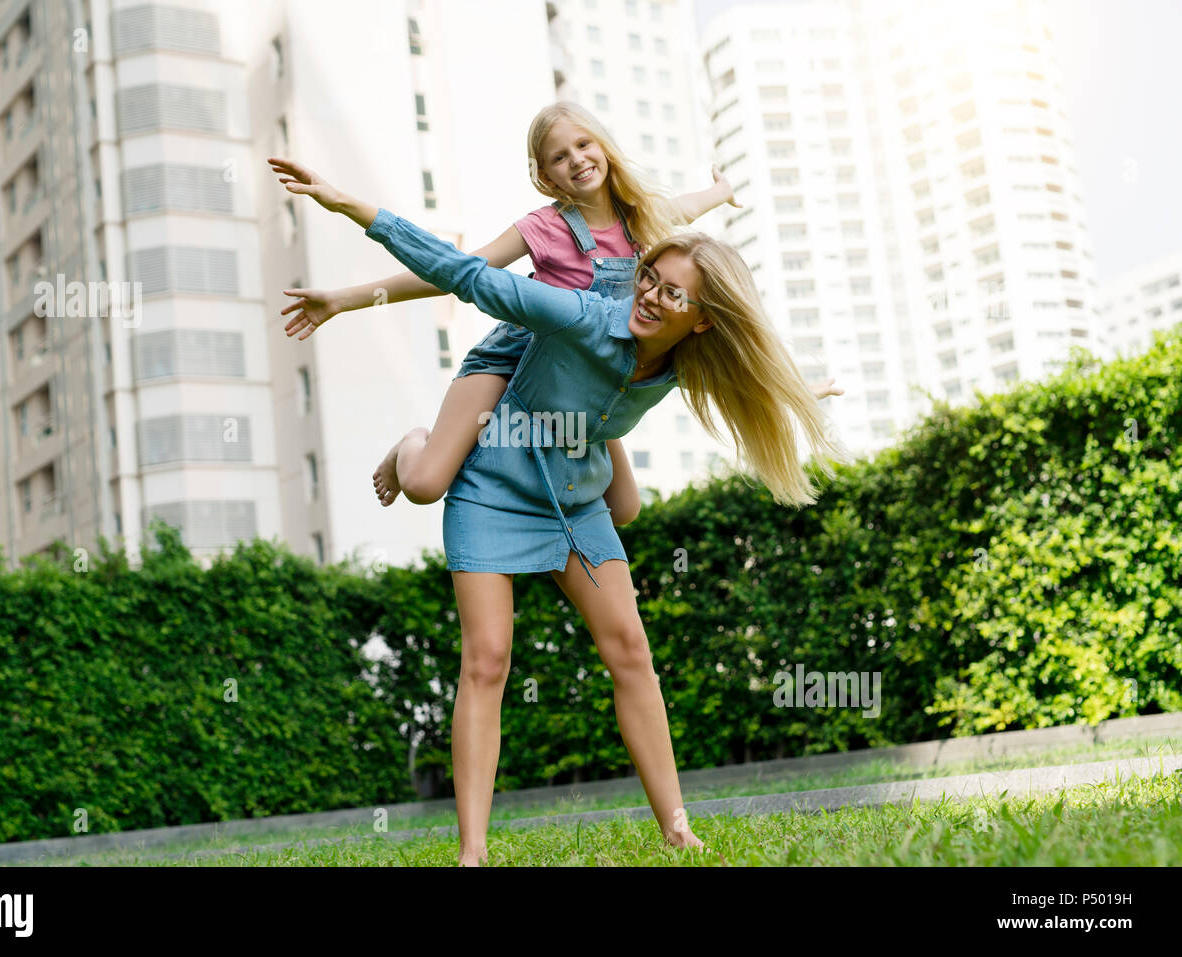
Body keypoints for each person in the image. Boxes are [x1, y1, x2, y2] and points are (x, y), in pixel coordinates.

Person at [270, 160, 852, 866]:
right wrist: (352, 207)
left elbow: (756, 368)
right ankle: (473, 851)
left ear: (701, 320)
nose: (650, 295)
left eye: (672, 294)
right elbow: (467, 273)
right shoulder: (579, 315)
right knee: (487, 659)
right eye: (648, 278)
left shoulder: (690, 361)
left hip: (577, 500)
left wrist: (803, 391)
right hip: (494, 485)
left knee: (631, 651)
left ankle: (676, 828)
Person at [270, 102, 841, 529]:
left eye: (584, 146)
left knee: (625, 509)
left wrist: (721, 190)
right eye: (559, 158)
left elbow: (691, 209)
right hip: (514, 363)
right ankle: (412, 444)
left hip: (595, 372)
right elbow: (454, 271)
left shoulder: (644, 218)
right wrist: (346, 298)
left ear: (605, 148)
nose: (576, 161)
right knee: (424, 485)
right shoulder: (542, 228)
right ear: (545, 176)